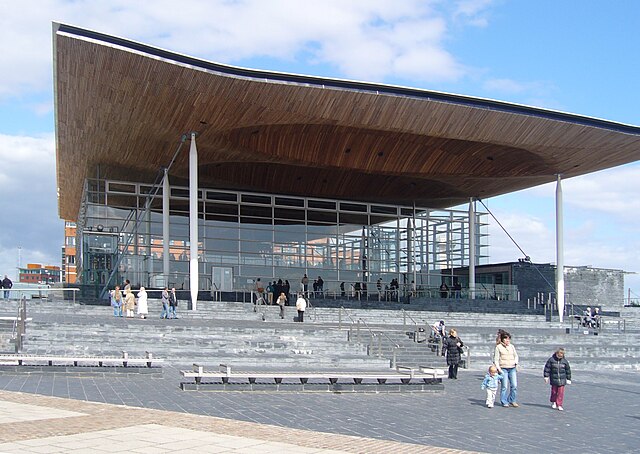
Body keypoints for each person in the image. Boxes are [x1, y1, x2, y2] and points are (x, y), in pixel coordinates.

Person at [493, 331, 520, 407]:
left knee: (514, 385)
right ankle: (504, 401)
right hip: (503, 368)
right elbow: (496, 359)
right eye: (506, 339)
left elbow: (516, 356)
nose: (508, 341)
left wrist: (515, 362)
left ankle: (512, 400)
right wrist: (499, 369)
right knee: (504, 386)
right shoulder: (498, 347)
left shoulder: (512, 346)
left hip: (512, 368)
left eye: (509, 339)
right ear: (502, 339)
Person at [543, 347, 572, 411]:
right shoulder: (551, 360)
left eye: (561, 356)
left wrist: (568, 379)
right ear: (556, 353)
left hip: (562, 379)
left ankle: (559, 404)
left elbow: (568, 370)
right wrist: (546, 376)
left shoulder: (565, 361)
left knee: (560, 393)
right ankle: (553, 401)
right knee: (554, 392)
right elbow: (547, 368)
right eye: (558, 355)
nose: (559, 357)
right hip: (554, 379)